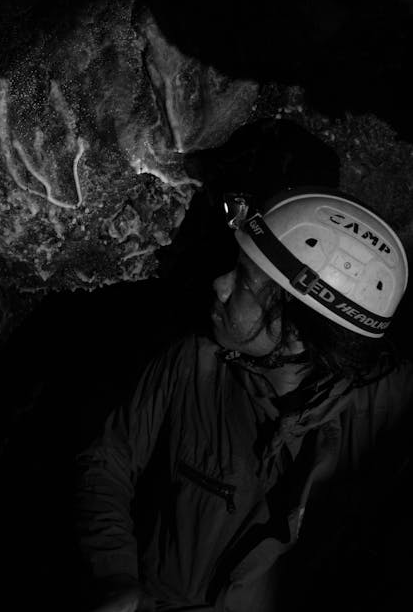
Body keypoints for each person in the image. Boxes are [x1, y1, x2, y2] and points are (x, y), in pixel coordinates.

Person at [76, 186, 413, 612]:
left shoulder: (380, 410)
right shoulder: (195, 363)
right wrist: (114, 574)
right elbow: (110, 460)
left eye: (244, 282)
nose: (219, 284)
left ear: (296, 327)